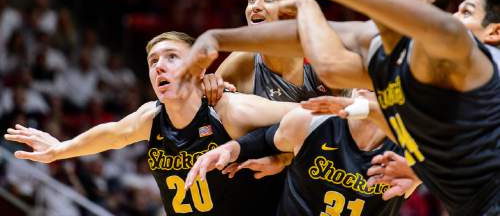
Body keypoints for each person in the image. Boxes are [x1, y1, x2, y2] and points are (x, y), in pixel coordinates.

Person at [175, 0, 500, 215]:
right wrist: (216, 38)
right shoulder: (380, 53)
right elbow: (322, 56)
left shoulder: (454, 46)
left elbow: (445, 29)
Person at [4, 31, 302, 216]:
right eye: (153, 61)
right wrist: (60, 149)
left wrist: (282, 157)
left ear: (199, 69)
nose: (159, 65)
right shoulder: (151, 117)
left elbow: (309, 117)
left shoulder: (230, 110)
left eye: (172, 57)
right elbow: (113, 133)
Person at [185, 89, 412, 216]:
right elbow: (266, 138)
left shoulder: (412, 148)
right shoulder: (310, 122)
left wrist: (419, 175)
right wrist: (230, 148)